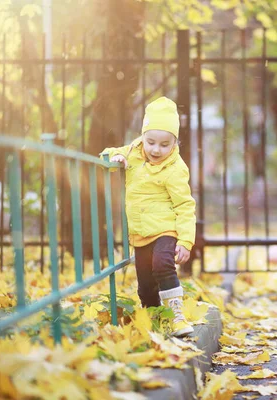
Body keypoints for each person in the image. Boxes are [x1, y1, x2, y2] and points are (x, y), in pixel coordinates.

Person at [101, 97, 195, 337]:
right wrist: (116, 157)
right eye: (150, 141)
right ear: (142, 135)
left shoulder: (175, 168)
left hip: (165, 229)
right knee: (145, 283)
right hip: (141, 233)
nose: (156, 149)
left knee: (163, 265)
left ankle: (176, 316)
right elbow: (109, 153)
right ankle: (153, 318)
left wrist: (185, 241)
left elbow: (185, 205)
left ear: (175, 142)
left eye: (165, 144)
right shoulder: (133, 152)